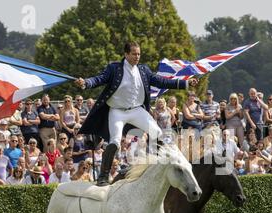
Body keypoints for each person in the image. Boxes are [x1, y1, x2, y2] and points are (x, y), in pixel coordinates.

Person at [75, 41, 198, 186]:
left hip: (137, 110)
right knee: (114, 142)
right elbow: (99, 79)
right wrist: (86, 83)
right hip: (117, 112)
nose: (137, 57)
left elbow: (160, 81)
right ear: (126, 54)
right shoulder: (114, 68)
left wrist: (185, 83)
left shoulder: (143, 69)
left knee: (158, 133)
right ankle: (103, 176)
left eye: (139, 54)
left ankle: (159, 167)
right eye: (134, 54)